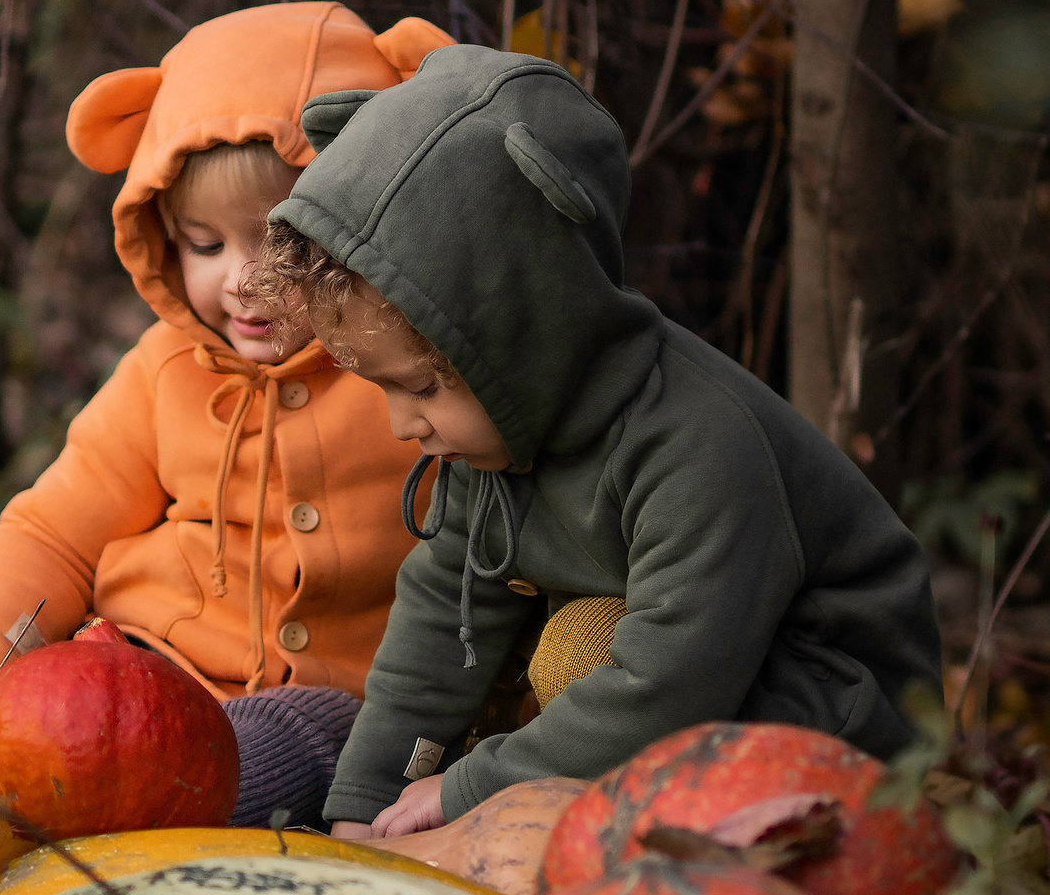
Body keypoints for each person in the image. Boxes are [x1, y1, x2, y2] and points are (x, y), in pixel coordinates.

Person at [244, 44, 943, 839]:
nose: (405, 423)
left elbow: (674, 677)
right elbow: (444, 616)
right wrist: (366, 802)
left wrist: (471, 788)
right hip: (703, 689)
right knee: (539, 660)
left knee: (579, 651)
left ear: (525, 336)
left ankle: (643, 869)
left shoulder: (700, 447)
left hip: (836, 724)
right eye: (385, 389)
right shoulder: (493, 442)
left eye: (425, 386)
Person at [0, 2, 455, 829]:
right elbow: (54, 533)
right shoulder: (165, 370)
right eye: (204, 246)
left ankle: (93, 816)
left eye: (282, 244)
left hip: (333, 708)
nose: (240, 281)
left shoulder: (418, 376)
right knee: (14, 722)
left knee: (265, 749)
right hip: (134, 669)